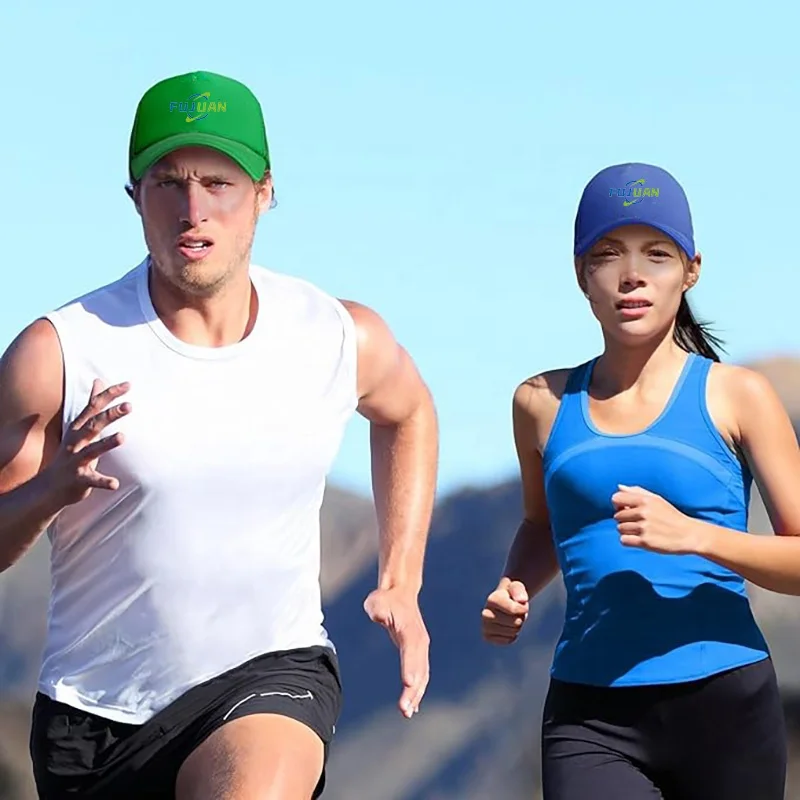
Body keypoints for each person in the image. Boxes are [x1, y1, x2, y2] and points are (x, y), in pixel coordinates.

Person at [0, 70, 437, 800]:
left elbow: (409, 412)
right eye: (169, 184)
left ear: (264, 193)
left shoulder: (334, 334)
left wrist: (401, 579)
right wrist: (49, 490)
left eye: (218, 183)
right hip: (94, 719)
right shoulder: (62, 353)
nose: (193, 209)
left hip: (271, 673)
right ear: (135, 197)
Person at [481, 162, 800, 799]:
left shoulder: (738, 395)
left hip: (724, 705)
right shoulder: (540, 402)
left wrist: (696, 536)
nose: (632, 275)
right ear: (582, 274)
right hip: (589, 712)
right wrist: (514, 586)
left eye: (657, 254)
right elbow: (543, 525)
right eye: (608, 254)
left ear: (691, 270)